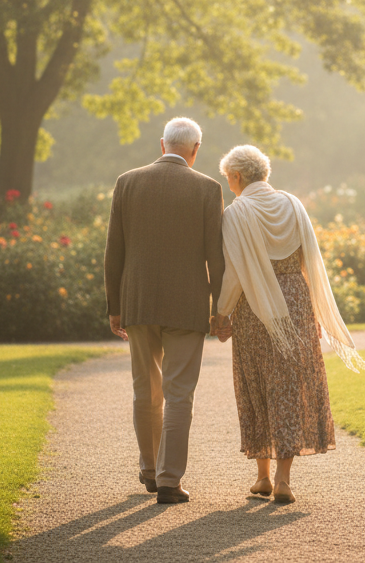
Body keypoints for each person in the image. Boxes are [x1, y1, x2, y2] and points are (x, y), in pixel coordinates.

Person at [210, 144, 365, 505]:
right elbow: (310, 260)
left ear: (236, 177)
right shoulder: (293, 205)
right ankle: (282, 480)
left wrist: (221, 313)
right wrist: (313, 308)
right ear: (264, 173)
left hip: (255, 307)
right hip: (295, 303)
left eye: (228, 178)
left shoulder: (237, 212)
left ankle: (261, 476)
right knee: (288, 387)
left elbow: (234, 273)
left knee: (256, 383)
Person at [103, 117, 225, 505]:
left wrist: (114, 306)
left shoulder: (127, 182)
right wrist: (221, 309)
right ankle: (169, 479)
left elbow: (114, 252)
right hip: (187, 305)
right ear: (195, 149)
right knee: (179, 394)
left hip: (137, 301)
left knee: (145, 389)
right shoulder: (208, 188)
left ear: (162, 145)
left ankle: (149, 470)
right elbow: (216, 257)